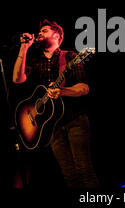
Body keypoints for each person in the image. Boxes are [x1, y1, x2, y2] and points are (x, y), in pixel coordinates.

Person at [12, 19, 100, 189]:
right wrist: (24, 47)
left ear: (57, 35)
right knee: (70, 177)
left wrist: (63, 91)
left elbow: (84, 87)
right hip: (51, 126)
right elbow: (17, 79)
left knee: (84, 170)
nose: (39, 33)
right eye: (40, 31)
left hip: (75, 119)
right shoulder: (35, 61)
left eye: (44, 30)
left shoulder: (69, 56)